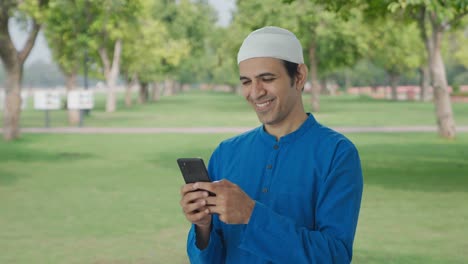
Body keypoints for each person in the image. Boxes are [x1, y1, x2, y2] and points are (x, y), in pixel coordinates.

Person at [179, 26, 363, 263]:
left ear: (299, 76)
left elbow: (334, 256)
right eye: (246, 81)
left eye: (267, 79)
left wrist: (251, 215)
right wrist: (203, 227)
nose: (255, 92)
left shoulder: (337, 154)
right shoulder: (226, 153)